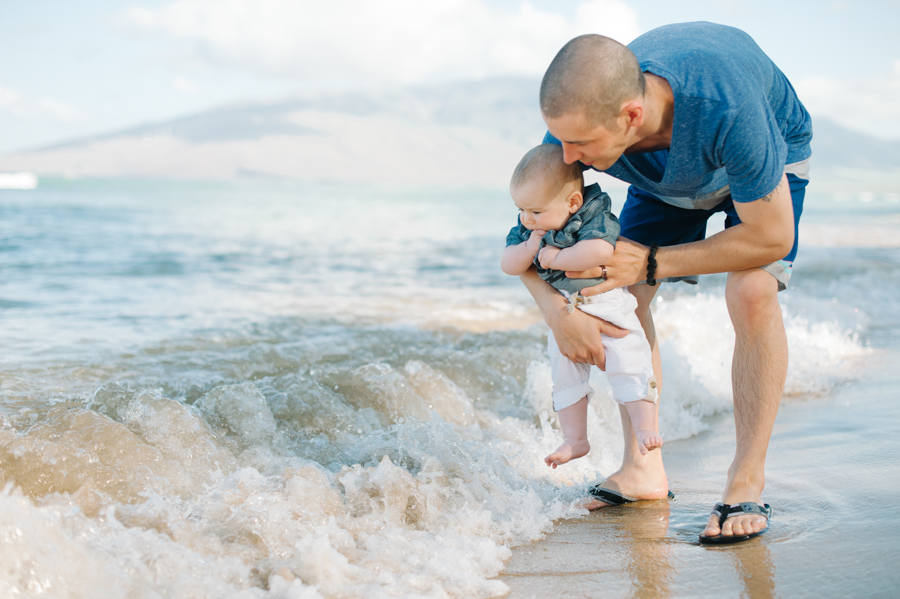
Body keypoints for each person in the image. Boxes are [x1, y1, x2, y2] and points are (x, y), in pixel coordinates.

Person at [523, 22, 811, 544]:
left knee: (751, 292)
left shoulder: (728, 108)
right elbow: (526, 234)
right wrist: (558, 313)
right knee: (614, 301)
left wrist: (652, 261)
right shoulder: (574, 132)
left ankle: (746, 478)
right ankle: (643, 471)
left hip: (763, 161)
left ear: (631, 115)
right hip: (662, 182)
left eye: (579, 144)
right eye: (560, 140)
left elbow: (770, 235)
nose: (566, 157)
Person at [501, 144, 663, 467]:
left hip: (607, 302)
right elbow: (509, 263)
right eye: (520, 209)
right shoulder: (528, 228)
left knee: (630, 358)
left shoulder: (592, 213)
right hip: (567, 305)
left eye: (534, 212)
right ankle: (575, 439)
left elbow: (600, 251)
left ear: (572, 202)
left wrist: (559, 257)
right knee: (564, 373)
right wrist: (529, 245)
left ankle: (645, 427)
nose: (525, 218)